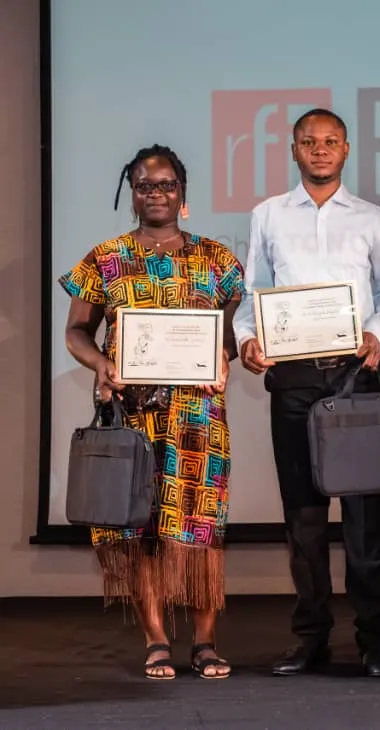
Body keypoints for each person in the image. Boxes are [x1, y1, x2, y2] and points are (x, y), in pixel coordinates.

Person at [60, 144, 243, 680]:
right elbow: (76, 331)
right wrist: (99, 363)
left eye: (166, 185)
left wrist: (225, 357)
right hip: (133, 415)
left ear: (182, 193)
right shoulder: (106, 258)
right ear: (132, 193)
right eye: (145, 185)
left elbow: (231, 335)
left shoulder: (218, 260)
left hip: (197, 418)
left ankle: (205, 641)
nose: (156, 193)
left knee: (199, 527)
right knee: (137, 529)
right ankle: (156, 638)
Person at [234, 108, 380, 678]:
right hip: (295, 380)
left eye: (331, 141)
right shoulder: (268, 216)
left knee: (364, 519)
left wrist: (378, 331)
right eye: (310, 141)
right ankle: (310, 639)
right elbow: (251, 292)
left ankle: (374, 640)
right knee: (304, 520)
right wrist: (248, 339)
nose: (320, 150)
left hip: (356, 376)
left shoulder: (374, 218)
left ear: (347, 150)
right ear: (294, 149)